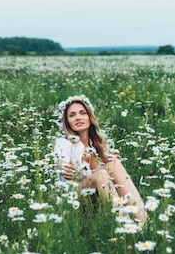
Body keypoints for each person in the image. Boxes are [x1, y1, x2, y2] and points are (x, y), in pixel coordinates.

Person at [53, 94, 147, 222]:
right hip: (71, 198)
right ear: (66, 122)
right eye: (72, 115)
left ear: (89, 118)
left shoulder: (95, 144)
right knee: (101, 174)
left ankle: (143, 222)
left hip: (94, 196)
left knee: (114, 164)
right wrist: (63, 166)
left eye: (82, 113)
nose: (78, 118)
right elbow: (61, 158)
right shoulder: (64, 143)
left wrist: (107, 160)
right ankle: (124, 228)